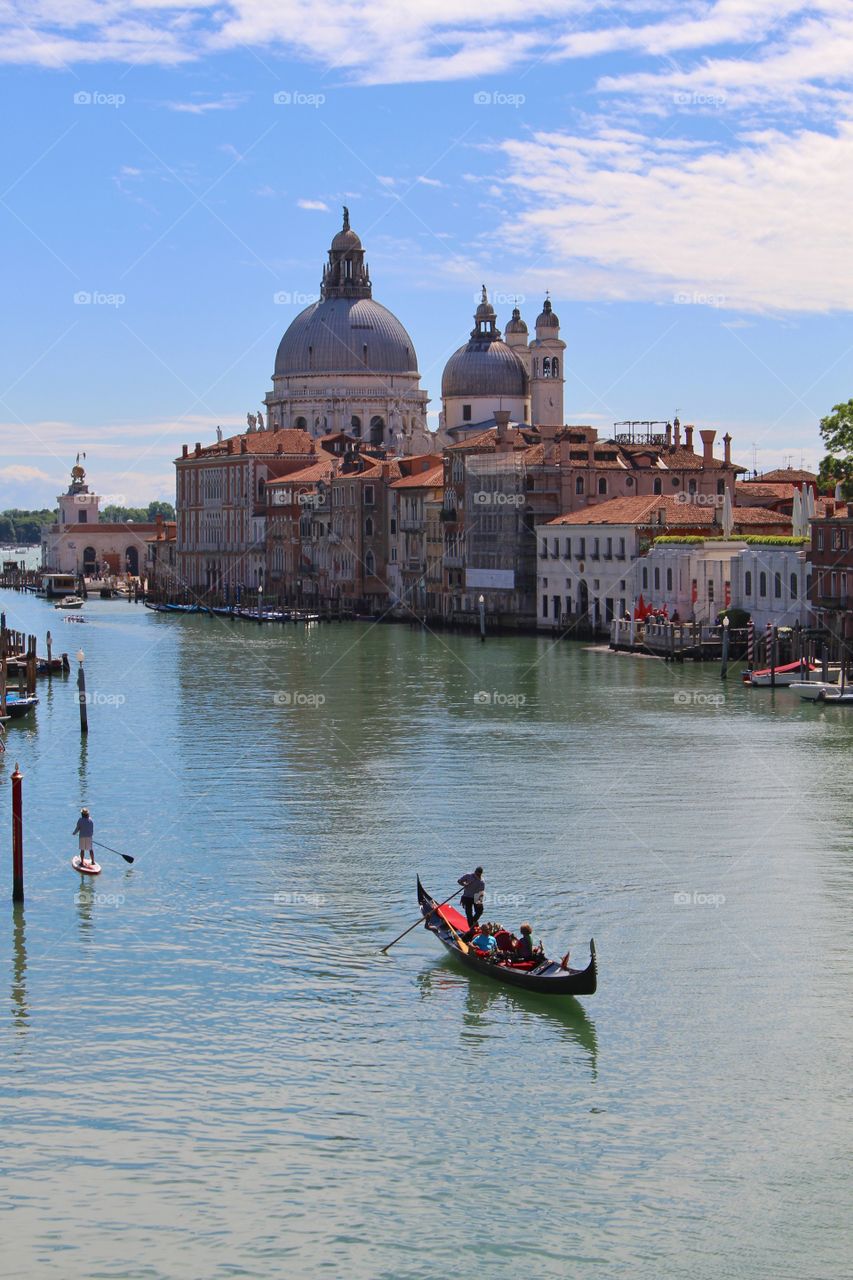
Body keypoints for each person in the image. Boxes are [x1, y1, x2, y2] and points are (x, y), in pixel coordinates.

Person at [458, 866, 485, 932]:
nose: (478, 875)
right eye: (477, 873)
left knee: (480, 910)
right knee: (469, 913)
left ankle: (474, 920)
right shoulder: (468, 876)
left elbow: (481, 893)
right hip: (467, 896)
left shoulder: (482, 881)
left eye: (479, 874)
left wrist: (480, 901)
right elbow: (459, 881)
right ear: (475, 872)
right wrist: (464, 884)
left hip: (476, 897)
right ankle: (471, 928)